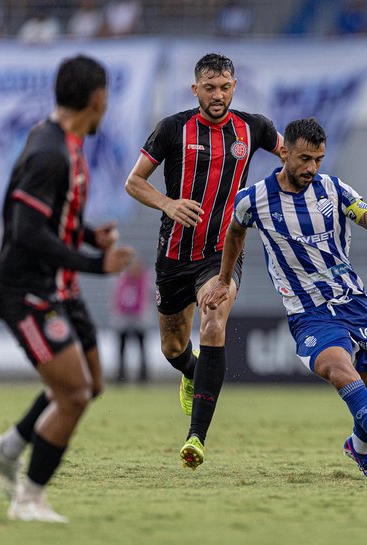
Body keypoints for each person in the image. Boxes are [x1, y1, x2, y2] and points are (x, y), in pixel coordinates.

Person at [201, 118, 367, 483]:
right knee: (339, 371)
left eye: (319, 159)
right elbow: (235, 233)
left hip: (353, 301)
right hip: (308, 312)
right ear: (285, 152)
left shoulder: (333, 190)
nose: (311, 168)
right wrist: (224, 280)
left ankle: (360, 447)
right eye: (305, 159)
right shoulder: (254, 199)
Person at [0, 55, 134, 523]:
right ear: (98, 98)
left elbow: (50, 218)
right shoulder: (50, 151)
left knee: (86, 386)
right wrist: (94, 262)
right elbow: (27, 230)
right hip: (22, 289)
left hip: (48, 286)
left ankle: (9, 448)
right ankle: (28, 499)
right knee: (74, 394)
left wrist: (89, 235)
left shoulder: (62, 142)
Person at [124, 53, 282, 469]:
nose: (217, 95)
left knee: (213, 323)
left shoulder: (255, 128)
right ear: (195, 89)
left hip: (221, 253)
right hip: (174, 254)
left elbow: (292, 160)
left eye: (224, 87)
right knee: (172, 346)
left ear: (235, 87)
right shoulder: (173, 129)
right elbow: (134, 181)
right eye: (209, 87)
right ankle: (190, 371)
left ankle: (196, 437)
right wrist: (168, 203)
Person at [112, 258, 151, 382]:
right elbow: (117, 298)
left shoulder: (143, 281)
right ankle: (121, 374)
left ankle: (143, 375)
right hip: (125, 316)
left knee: (141, 346)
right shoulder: (123, 281)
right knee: (122, 347)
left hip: (137, 316)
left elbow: (144, 299)